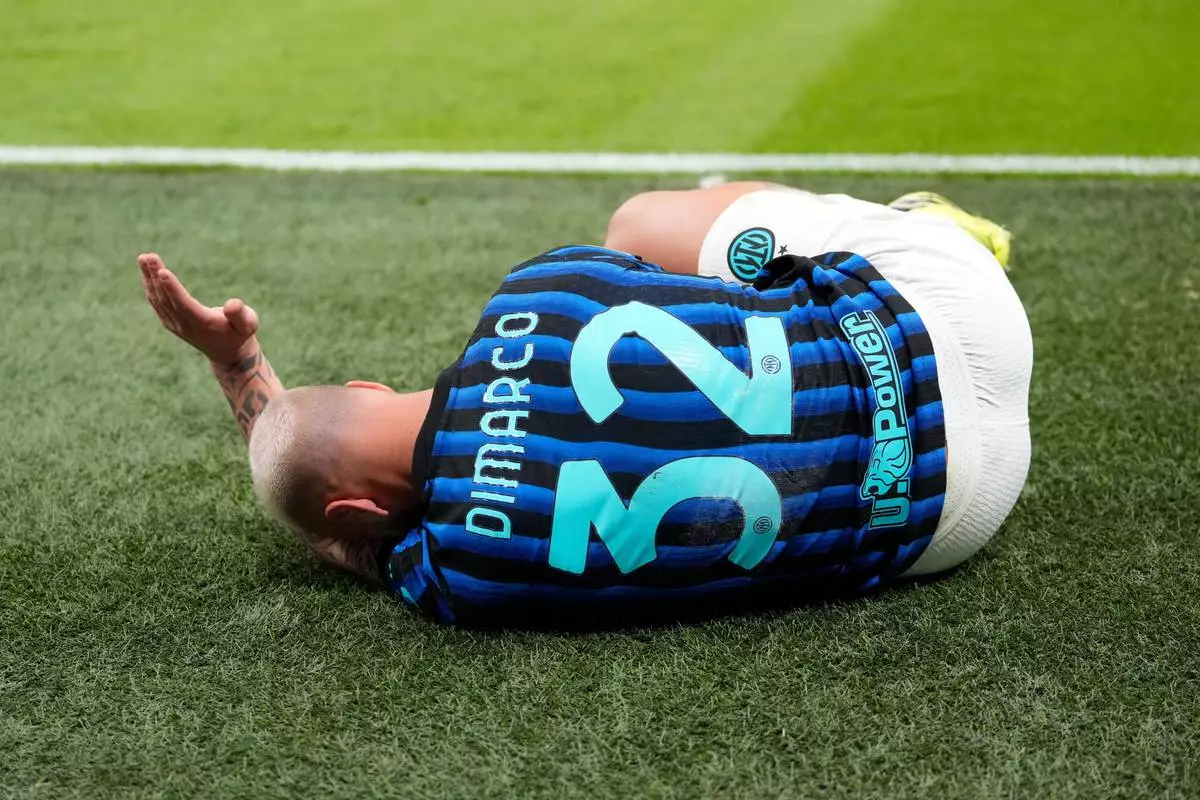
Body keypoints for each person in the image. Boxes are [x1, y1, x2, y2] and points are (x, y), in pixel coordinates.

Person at [138, 183, 1031, 625]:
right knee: (636, 225)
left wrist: (237, 373)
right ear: (369, 387)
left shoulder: (463, 572)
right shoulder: (537, 291)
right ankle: (922, 218)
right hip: (958, 311)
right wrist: (237, 350)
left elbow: (332, 531)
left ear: (363, 511)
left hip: (946, 516)